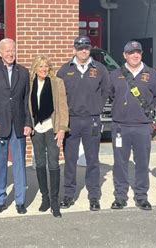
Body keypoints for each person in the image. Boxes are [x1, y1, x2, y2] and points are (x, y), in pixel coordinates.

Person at [56, 35, 111, 211]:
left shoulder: (100, 69)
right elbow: (59, 97)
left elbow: (106, 91)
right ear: (74, 49)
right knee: (70, 160)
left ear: (90, 49)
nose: (83, 50)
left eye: (86, 47)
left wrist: (97, 107)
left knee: (92, 160)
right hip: (71, 121)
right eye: (80, 48)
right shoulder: (64, 70)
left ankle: (94, 196)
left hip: (92, 121)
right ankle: (68, 195)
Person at [109, 41, 156, 210]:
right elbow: (109, 95)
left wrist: (148, 111)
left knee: (142, 163)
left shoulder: (152, 74)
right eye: (131, 52)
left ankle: (141, 196)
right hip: (120, 127)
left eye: (138, 52)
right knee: (120, 163)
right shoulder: (115, 74)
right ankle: (120, 196)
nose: (135, 55)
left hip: (142, 126)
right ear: (125, 55)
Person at [0, 38, 31, 215]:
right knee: (0, 165)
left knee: (19, 164)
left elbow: (26, 101)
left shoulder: (23, 72)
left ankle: (20, 200)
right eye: (7, 50)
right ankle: (0, 199)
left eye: (13, 50)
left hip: (18, 125)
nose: (11, 53)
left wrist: (28, 123)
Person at [29, 55, 68, 218]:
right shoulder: (30, 84)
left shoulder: (57, 82)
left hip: (52, 128)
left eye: (46, 66)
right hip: (36, 128)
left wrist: (62, 129)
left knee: (53, 163)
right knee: (39, 162)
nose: (44, 69)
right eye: (41, 66)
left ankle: (54, 201)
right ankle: (45, 198)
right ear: (35, 68)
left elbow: (62, 106)